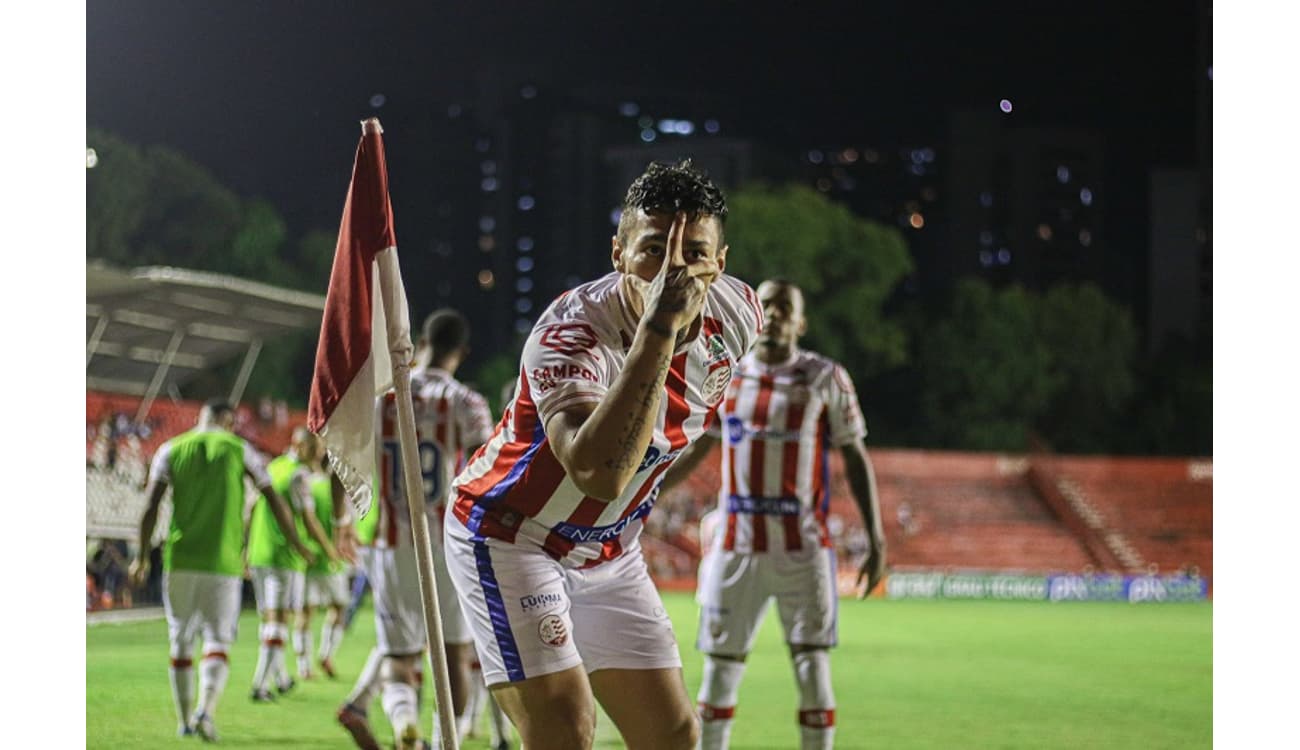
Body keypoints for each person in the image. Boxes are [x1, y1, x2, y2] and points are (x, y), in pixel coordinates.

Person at [444, 159, 764, 750]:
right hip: (514, 534)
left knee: (671, 735)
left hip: (610, 547)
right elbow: (598, 473)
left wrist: (658, 489)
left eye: (694, 252)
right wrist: (660, 330)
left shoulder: (740, 314)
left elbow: (685, 432)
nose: (673, 269)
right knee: (566, 729)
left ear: (720, 263)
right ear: (617, 252)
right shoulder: (570, 334)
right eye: (651, 250)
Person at [661, 278, 888, 750]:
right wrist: (652, 489)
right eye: (769, 306)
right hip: (735, 545)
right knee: (720, 670)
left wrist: (877, 540)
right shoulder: (727, 374)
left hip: (802, 548)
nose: (777, 314)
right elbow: (702, 443)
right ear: (757, 315)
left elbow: (855, 455)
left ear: (801, 322)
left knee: (811, 666)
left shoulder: (825, 377)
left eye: (787, 308)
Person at [337, 309, 493, 750]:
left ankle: (406, 726)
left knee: (399, 657)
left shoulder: (381, 399)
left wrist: (340, 520)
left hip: (388, 545)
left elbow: (342, 454)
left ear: (422, 342)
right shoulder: (465, 402)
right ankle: (447, 742)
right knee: (453, 655)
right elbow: (487, 465)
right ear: (461, 352)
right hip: (447, 544)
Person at [128, 399, 315, 741]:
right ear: (228, 423)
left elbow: (150, 506)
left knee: (180, 640)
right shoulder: (240, 449)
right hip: (223, 563)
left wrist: (141, 557)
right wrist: (298, 543)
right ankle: (205, 711)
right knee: (217, 641)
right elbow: (273, 500)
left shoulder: (170, 449)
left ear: (202, 420)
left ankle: (184, 721)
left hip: (180, 559)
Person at [246, 427, 341, 700]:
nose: (319, 456)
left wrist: (245, 550)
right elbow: (309, 521)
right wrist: (329, 550)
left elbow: (252, 509)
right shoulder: (299, 475)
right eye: (315, 450)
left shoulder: (274, 466)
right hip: (284, 557)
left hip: (259, 553)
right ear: (300, 447)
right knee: (279, 620)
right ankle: (260, 684)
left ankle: (281, 677)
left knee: (269, 620)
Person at [299, 465, 352, 680]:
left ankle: (304, 666)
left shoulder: (306, 484)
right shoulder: (341, 488)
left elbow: (304, 518)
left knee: (305, 613)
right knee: (338, 608)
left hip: (309, 558)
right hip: (333, 560)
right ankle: (326, 653)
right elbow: (346, 523)